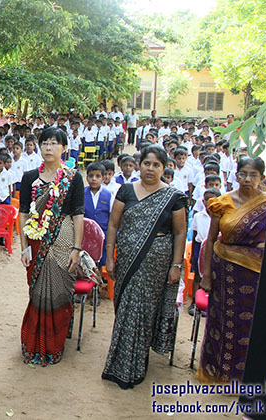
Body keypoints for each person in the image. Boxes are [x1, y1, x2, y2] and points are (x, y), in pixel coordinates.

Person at [102, 146, 187, 389]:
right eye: (147, 163)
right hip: (127, 260)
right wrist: (109, 256)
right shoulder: (126, 191)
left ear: (163, 168)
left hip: (156, 265)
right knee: (126, 308)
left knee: (144, 312)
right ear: (140, 165)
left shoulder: (173, 197)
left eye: (156, 165)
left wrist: (176, 265)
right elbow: (113, 225)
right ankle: (121, 361)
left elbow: (180, 233)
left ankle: (134, 365)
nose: (150, 169)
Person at [196, 158, 266, 385]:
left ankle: (245, 376)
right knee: (222, 322)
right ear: (235, 176)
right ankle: (217, 373)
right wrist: (206, 276)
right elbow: (210, 241)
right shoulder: (221, 203)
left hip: (256, 275)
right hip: (225, 273)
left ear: (261, 178)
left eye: (253, 175)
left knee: (250, 325)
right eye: (243, 174)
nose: (247, 179)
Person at [19, 126, 85, 365]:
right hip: (36, 243)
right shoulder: (29, 177)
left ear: (64, 148)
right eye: (44, 143)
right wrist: (24, 246)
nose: (48, 147)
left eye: (54, 143)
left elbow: (78, 214)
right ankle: (34, 343)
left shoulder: (74, 177)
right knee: (37, 292)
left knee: (59, 293)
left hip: (64, 241)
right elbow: (23, 213)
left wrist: (76, 249)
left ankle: (55, 344)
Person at [188, 188, 221, 316]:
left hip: (214, 248)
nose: (209, 202)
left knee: (212, 276)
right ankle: (195, 303)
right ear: (203, 200)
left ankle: (209, 303)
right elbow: (195, 235)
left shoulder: (221, 216)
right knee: (197, 275)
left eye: (213, 198)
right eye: (207, 199)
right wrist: (192, 254)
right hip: (199, 248)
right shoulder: (198, 216)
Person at [84, 162, 113, 267]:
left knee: (101, 261)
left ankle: (100, 281)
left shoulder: (108, 195)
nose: (94, 179)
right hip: (85, 235)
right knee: (87, 261)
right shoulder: (82, 194)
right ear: (87, 177)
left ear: (103, 178)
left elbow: (111, 217)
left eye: (98, 176)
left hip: (103, 235)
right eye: (91, 176)